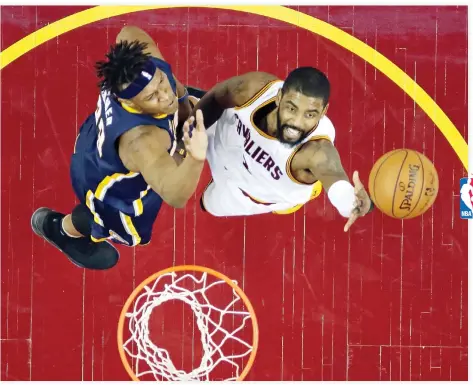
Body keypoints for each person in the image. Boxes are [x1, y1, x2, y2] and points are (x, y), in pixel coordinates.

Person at [31, 26, 208, 270]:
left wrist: (181, 99)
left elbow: (128, 31)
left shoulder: (138, 59)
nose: (165, 96)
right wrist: (193, 154)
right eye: (152, 97)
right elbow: (176, 194)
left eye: (161, 82)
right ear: (128, 102)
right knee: (111, 224)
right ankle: (61, 229)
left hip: (93, 142)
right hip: (106, 185)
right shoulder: (142, 141)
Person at [193, 67, 374, 231]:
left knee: (205, 204)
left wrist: (352, 202)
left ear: (324, 112)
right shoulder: (255, 89)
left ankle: (301, 195)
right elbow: (217, 96)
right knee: (179, 107)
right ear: (279, 97)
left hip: (250, 193)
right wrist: (183, 133)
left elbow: (336, 181)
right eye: (291, 108)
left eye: (310, 114)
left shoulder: (316, 153)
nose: (296, 123)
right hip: (226, 140)